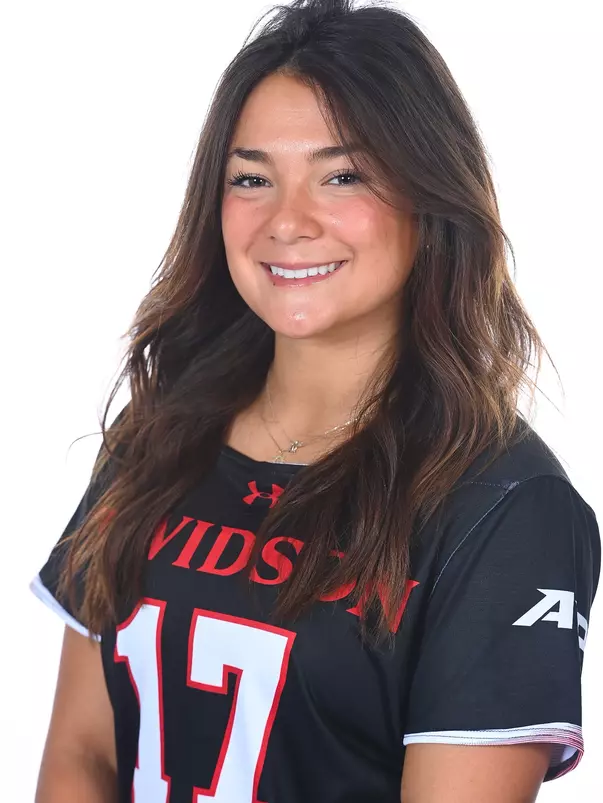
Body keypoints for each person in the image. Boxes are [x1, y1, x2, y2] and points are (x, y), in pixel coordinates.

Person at [31, 1, 600, 801]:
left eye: (342, 176)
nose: (286, 222)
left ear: (427, 196)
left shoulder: (506, 508)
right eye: (251, 179)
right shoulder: (156, 435)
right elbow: (83, 753)